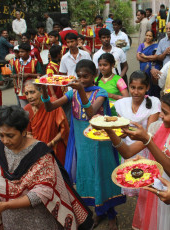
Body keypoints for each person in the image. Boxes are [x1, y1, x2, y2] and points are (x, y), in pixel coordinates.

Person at [0, 105, 94, 229]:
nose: (5, 141)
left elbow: (43, 192)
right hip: (10, 219)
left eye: (10, 136)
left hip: (38, 220)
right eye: (1, 135)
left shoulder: (40, 153)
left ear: (23, 131)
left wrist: (6, 205)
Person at [41, 60, 126, 230]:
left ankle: (111, 215)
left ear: (94, 76)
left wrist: (80, 90)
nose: (81, 79)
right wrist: (43, 87)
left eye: (85, 76)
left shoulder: (101, 92)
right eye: (79, 76)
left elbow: (90, 113)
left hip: (98, 141)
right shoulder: (72, 93)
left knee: (102, 173)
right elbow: (50, 107)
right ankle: (98, 212)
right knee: (87, 174)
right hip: (81, 141)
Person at [105, 88, 170, 230]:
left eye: (165, 112)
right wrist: (110, 130)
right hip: (157, 191)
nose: (160, 115)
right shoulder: (156, 127)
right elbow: (127, 152)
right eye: (161, 110)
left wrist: (147, 140)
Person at [114, 70, 161, 197]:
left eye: (140, 88)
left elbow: (150, 132)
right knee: (133, 182)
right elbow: (120, 129)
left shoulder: (154, 103)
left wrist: (127, 133)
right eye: (133, 87)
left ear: (147, 88)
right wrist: (121, 133)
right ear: (128, 86)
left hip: (146, 149)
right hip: (127, 151)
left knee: (147, 187)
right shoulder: (121, 104)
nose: (135, 92)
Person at [24, 81, 69, 165]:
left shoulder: (53, 104)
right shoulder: (27, 109)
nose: (29, 97)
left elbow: (64, 129)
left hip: (56, 147)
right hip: (38, 150)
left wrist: (50, 144)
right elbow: (28, 133)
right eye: (26, 93)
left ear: (41, 91)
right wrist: (37, 145)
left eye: (32, 92)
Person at [12, 43, 43, 108]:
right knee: (25, 109)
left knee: (36, 107)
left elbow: (40, 74)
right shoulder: (16, 62)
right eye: (19, 52)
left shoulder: (35, 62)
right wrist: (17, 75)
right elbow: (13, 74)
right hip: (22, 90)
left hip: (33, 89)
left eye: (22, 52)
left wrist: (29, 75)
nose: (20, 54)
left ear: (28, 52)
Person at [137, 30, 161, 97]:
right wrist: (149, 59)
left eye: (150, 36)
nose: (148, 37)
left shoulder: (156, 46)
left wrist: (145, 56)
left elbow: (156, 57)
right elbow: (138, 57)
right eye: (147, 35)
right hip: (144, 69)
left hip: (154, 68)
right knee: (145, 83)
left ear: (153, 37)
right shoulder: (141, 45)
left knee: (154, 85)